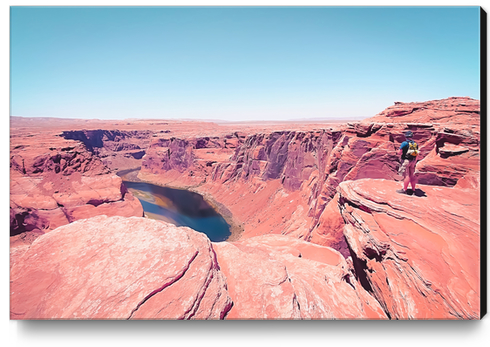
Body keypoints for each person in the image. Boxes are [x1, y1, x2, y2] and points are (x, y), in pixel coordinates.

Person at [397, 130, 418, 195]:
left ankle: (404, 190)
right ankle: (413, 190)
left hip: (406, 161)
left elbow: (399, 153)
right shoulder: (415, 144)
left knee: (406, 175)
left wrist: (397, 152)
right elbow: (417, 153)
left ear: (406, 136)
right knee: (412, 175)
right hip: (413, 160)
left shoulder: (404, 143)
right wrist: (415, 161)